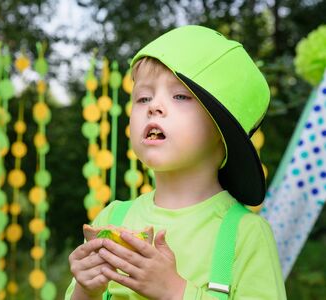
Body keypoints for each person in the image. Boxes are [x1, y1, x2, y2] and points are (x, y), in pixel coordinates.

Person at [65, 25, 286, 300]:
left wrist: (175, 292)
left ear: (223, 131)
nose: (153, 106)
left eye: (180, 95)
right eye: (143, 97)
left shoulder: (245, 234)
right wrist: (86, 290)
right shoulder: (112, 218)